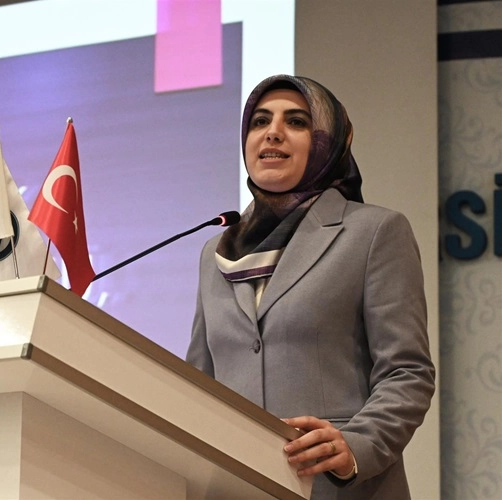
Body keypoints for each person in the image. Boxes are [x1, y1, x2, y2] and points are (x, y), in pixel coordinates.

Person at [186, 74, 435, 499]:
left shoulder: (373, 232)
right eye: (260, 121)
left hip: (338, 488)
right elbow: (198, 381)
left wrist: (356, 446)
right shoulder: (217, 251)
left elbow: (407, 372)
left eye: (297, 122)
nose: (273, 133)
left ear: (326, 142)